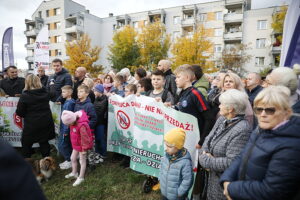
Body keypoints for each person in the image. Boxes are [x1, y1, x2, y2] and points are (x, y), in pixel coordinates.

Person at [220, 86, 300, 200]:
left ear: (286, 113)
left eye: (270, 110)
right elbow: (242, 156)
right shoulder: (261, 130)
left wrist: (232, 188)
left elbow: (273, 191)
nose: (262, 114)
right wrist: (226, 179)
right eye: (259, 109)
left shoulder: (292, 145)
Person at [198, 89, 251, 200]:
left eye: (222, 104)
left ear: (230, 109)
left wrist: (207, 162)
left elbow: (232, 162)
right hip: (210, 179)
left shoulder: (242, 129)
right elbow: (208, 139)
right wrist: (204, 155)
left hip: (223, 185)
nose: (219, 106)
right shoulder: (222, 119)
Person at [174, 65, 214, 146]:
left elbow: (209, 118)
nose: (175, 80)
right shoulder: (182, 93)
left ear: (187, 77)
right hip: (184, 135)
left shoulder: (195, 93)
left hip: (194, 138)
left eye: (178, 77)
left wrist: (201, 141)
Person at [16, 74, 55, 158]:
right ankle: (47, 165)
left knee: (26, 144)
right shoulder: (45, 92)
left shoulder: (25, 95)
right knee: (44, 142)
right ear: (38, 81)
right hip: (45, 121)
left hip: (31, 124)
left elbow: (19, 112)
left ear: (27, 82)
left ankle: (27, 165)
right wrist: (52, 85)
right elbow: (53, 94)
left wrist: (27, 115)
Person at [61, 110, 94, 186]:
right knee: (72, 158)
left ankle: (81, 177)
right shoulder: (72, 122)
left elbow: (85, 138)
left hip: (82, 147)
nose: (68, 126)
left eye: (68, 124)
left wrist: (84, 149)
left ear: (72, 120)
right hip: (76, 145)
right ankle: (74, 172)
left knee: (82, 161)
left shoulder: (81, 125)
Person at [159, 128, 193, 200]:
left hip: (176, 197)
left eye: (170, 146)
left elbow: (188, 180)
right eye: (166, 145)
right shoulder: (166, 156)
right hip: (164, 193)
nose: (167, 148)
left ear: (178, 146)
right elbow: (161, 168)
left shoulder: (185, 162)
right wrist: (160, 179)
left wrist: (179, 193)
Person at [58, 85, 75, 170]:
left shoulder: (69, 103)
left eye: (64, 92)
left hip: (66, 128)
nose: (62, 94)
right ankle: (68, 159)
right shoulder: (67, 101)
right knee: (65, 144)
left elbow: (68, 119)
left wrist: (65, 131)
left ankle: (69, 161)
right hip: (64, 127)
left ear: (69, 93)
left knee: (63, 145)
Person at [93, 84, 108, 162]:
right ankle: (97, 152)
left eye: (95, 90)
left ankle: (103, 154)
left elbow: (100, 111)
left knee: (101, 138)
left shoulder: (104, 100)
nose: (94, 92)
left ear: (99, 91)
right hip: (96, 122)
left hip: (101, 122)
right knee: (97, 138)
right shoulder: (97, 98)